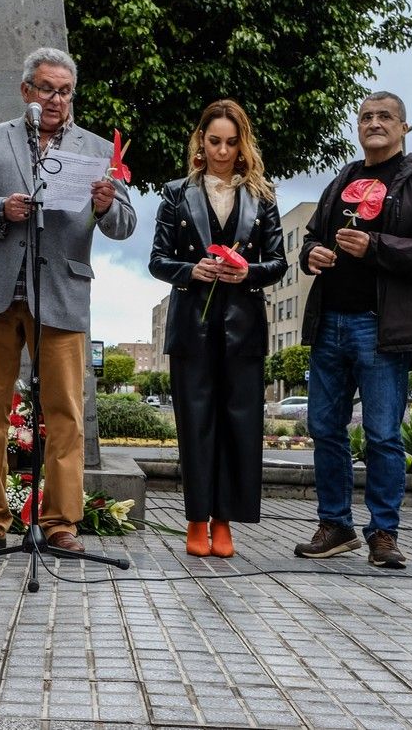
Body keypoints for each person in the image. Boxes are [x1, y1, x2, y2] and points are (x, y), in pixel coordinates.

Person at [0, 46, 136, 555]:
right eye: (47, 89)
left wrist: (107, 203)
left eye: (65, 90)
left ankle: (60, 523)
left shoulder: (97, 148)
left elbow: (125, 225)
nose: (56, 99)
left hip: (62, 293)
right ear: (26, 91)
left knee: (66, 414)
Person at [295, 91, 412, 569]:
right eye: (366, 117)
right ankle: (336, 525)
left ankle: (383, 533)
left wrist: (375, 246)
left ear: (403, 127)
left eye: (385, 116)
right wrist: (311, 255)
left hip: (382, 328)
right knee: (325, 429)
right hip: (330, 325)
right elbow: (311, 238)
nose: (374, 123)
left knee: (383, 434)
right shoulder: (343, 178)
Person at [148, 99, 287, 557]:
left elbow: (278, 262)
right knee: (195, 425)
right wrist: (191, 271)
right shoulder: (175, 193)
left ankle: (225, 522)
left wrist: (248, 271)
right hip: (192, 325)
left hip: (244, 326)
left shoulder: (263, 196)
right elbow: (157, 260)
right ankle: (195, 520)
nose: (223, 151)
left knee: (240, 426)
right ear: (200, 142)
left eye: (231, 142)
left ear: (242, 143)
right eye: (214, 142)